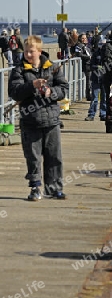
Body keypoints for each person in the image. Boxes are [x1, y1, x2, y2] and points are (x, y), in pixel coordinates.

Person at [8, 35, 69, 201]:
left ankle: (54, 188)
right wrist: (32, 85)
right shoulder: (19, 70)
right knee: (33, 157)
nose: (28, 54)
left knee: (54, 156)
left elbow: (63, 88)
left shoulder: (52, 67)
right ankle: (35, 187)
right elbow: (14, 92)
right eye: (26, 52)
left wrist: (51, 92)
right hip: (30, 121)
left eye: (31, 51)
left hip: (52, 120)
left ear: (39, 51)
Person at [84, 39, 107, 122]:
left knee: (104, 98)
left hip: (105, 79)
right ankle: (91, 114)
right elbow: (90, 65)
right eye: (101, 44)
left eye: (104, 44)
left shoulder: (109, 54)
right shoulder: (95, 53)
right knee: (94, 98)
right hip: (95, 78)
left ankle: (103, 114)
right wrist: (96, 67)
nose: (102, 46)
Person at [74, 33, 92, 101]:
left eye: (85, 38)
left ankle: (89, 94)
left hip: (89, 64)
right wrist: (89, 57)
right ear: (80, 39)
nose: (85, 39)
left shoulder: (87, 46)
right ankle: (88, 95)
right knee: (88, 81)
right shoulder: (79, 46)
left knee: (90, 81)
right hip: (85, 64)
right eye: (83, 38)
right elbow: (78, 54)